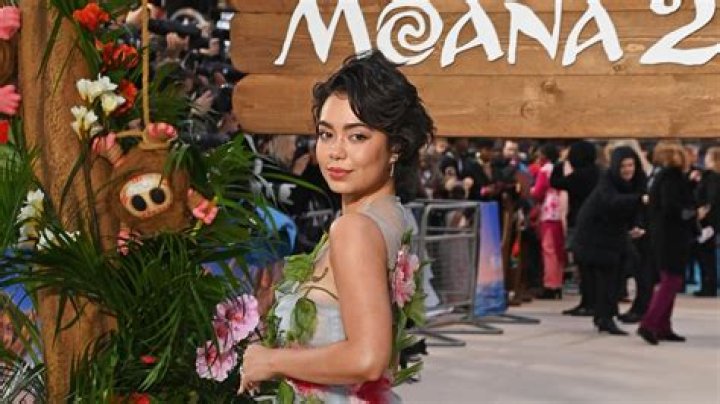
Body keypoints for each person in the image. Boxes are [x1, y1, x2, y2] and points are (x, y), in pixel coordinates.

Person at [239, 50, 434, 402]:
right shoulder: (396, 216)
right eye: (326, 134)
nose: (335, 151)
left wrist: (269, 360)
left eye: (357, 136)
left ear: (395, 146)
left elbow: (368, 358)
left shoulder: (354, 229)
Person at [573, 146, 647, 335]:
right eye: (623, 166)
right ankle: (605, 318)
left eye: (630, 165)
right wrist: (639, 199)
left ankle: (605, 316)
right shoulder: (607, 180)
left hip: (614, 234)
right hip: (596, 235)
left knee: (618, 274)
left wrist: (637, 225)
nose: (627, 170)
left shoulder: (637, 181)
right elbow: (612, 202)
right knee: (608, 277)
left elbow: (635, 210)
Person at [638, 142, 697, 344]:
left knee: (671, 280)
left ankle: (663, 326)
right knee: (671, 280)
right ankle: (649, 323)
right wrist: (691, 213)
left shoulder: (663, 176)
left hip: (664, 235)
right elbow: (671, 206)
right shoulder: (672, 177)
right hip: (672, 237)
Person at [550, 140, 601, 315]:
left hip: (579, 221)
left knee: (583, 264)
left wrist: (560, 164)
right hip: (597, 222)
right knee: (592, 265)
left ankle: (588, 302)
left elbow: (555, 182)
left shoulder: (579, 175)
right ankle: (592, 302)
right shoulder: (598, 172)